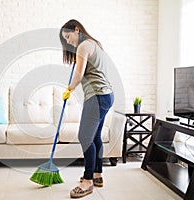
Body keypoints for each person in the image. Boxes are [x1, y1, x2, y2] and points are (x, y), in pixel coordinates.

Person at [59, 19, 114, 198]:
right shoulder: (95, 44)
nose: (68, 41)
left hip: (97, 96)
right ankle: (97, 175)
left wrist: (69, 88)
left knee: (85, 136)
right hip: (106, 95)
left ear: (77, 29)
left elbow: (79, 74)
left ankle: (88, 181)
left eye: (68, 36)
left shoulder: (83, 46)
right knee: (95, 136)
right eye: (65, 39)